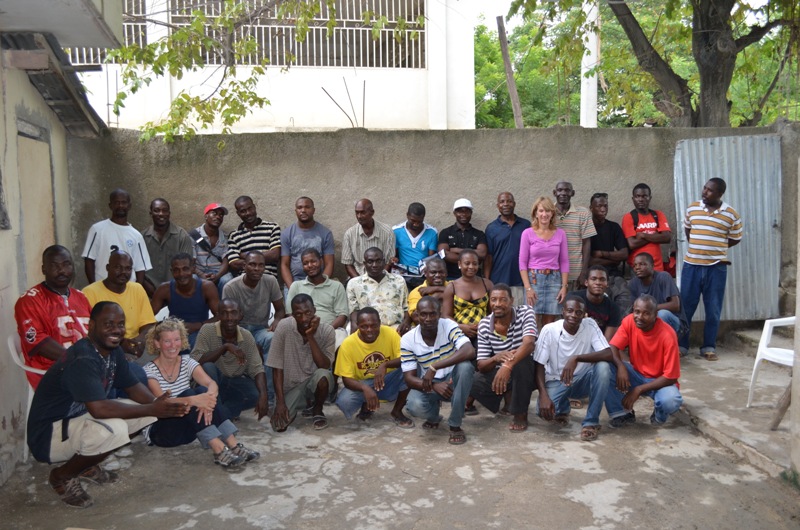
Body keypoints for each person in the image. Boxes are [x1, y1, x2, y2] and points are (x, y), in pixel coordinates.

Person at [27, 302, 189, 508]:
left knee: (147, 415)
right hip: (48, 436)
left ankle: (85, 463)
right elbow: (99, 409)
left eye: (120, 324)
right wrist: (152, 407)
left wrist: (159, 405)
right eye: (108, 324)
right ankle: (61, 476)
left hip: (74, 422)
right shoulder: (83, 358)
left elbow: (132, 386)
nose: (116, 330)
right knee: (114, 430)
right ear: (91, 326)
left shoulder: (112, 350)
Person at [142, 318, 259, 468]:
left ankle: (233, 444)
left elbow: (211, 384)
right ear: (157, 343)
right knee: (190, 394)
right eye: (167, 341)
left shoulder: (186, 361)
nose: (173, 345)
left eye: (177, 339)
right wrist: (194, 400)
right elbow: (163, 403)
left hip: (189, 426)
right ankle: (218, 449)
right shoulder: (149, 371)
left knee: (203, 390)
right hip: (162, 432)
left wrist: (206, 399)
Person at [533, 296, 618, 442]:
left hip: (582, 380)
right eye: (570, 311)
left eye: (579, 312)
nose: (573, 315)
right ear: (563, 312)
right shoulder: (549, 330)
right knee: (543, 412)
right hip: (556, 380)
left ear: (584, 315)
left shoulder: (590, 325)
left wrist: (576, 358)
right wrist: (543, 395)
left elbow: (608, 353)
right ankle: (563, 408)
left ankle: (591, 422)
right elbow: (539, 365)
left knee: (603, 367)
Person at [680, 178, 743, 361]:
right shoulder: (693, 209)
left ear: (720, 194)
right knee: (686, 308)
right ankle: (682, 346)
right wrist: (701, 247)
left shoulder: (731, 214)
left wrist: (716, 249)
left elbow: (735, 238)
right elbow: (688, 232)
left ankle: (708, 347)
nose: (704, 192)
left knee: (713, 309)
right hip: (691, 266)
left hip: (716, 268)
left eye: (710, 191)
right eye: (704, 188)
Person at [401, 296, 476, 445]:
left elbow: (469, 350)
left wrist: (435, 366)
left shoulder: (448, 325)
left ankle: (455, 425)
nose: (428, 318)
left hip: (453, 380)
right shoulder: (408, 339)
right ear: (416, 315)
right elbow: (409, 378)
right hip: (430, 383)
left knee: (466, 367)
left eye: (432, 314)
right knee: (414, 405)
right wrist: (434, 385)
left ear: (439, 313)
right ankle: (434, 417)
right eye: (423, 314)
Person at [14, 245, 92, 389]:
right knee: (114, 390)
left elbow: (96, 332)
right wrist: (81, 360)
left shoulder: (80, 297)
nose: (61, 270)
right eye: (54, 265)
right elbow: (39, 343)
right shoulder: (29, 301)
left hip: (88, 368)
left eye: (66, 264)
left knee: (135, 375)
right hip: (53, 373)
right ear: (44, 269)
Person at [605, 295, 683, 426]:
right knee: (605, 366)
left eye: (646, 313)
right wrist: (621, 367)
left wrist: (638, 390)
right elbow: (613, 346)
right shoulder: (629, 321)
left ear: (655, 315)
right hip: (637, 373)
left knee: (671, 400)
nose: (640, 317)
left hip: (661, 381)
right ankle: (622, 414)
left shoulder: (667, 334)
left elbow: (671, 377)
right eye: (637, 312)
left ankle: (658, 416)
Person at [469, 285, 537, 432]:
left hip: (527, 370)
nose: (498, 304)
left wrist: (508, 365)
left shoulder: (526, 312)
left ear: (511, 301)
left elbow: (529, 344)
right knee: (472, 380)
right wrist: (496, 358)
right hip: (501, 370)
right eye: (493, 300)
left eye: (503, 300)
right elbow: (481, 364)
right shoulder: (485, 324)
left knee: (522, 361)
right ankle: (507, 399)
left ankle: (520, 414)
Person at [190, 299, 270, 421]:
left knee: (257, 395)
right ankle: (221, 410)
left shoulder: (246, 336)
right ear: (218, 315)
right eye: (224, 313)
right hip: (213, 380)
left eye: (233, 313)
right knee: (208, 367)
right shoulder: (207, 330)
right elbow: (196, 361)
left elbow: (257, 368)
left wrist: (264, 396)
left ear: (240, 315)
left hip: (233, 381)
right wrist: (225, 347)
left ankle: (222, 411)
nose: (229, 317)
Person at [334, 307, 414, 427]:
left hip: (388, 379)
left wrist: (385, 364)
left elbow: (406, 358)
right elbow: (346, 379)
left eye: (374, 326)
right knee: (345, 401)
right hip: (364, 382)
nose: (369, 330)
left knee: (410, 368)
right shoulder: (348, 344)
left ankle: (397, 411)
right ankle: (366, 406)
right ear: (357, 325)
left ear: (380, 324)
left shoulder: (390, 333)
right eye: (364, 326)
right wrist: (365, 388)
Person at [267, 294, 336, 432]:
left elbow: (324, 365)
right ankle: (304, 405)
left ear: (314, 310)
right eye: (298, 314)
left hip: (312, 381)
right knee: (279, 427)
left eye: (308, 313)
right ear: (292, 315)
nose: (304, 319)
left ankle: (317, 409)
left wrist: (310, 335)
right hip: (291, 386)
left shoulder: (327, 330)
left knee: (324, 376)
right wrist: (280, 402)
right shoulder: (284, 327)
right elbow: (277, 368)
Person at [82, 249, 156, 364]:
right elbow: (90, 332)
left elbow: (148, 324)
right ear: (107, 268)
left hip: (136, 345)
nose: (123, 272)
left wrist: (138, 341)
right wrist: (120, 343)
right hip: (106, 347)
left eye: (128, 268)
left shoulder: (137, 289)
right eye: (118, 267)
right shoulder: (89, 293)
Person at [222, 251, 286, 362]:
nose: (257, 268)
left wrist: (277, 320)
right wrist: (249, 342)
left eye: (261, 265)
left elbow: (280, 309)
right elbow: (226, 321)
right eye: (252, 264)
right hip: (238, 331)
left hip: (260, 329)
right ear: (244, 266)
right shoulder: (231, 287)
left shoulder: (270, 281)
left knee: (273, 339)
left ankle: (268, 379)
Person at [519, 196, 569, 331]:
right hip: (534, 280)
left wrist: (564, 286)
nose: (544, 214)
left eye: (548, 211)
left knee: (549, 324)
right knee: (531, 321)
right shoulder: (527, 233)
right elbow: (522, 263)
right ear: (535, 212)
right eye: (541, 211)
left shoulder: (560, 234)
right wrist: (528, 288)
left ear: (552, 213)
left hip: (554, 280)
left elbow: (564, 261)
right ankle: (532, 351)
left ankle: (546, 351)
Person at [82, 188, 151, 284]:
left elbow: (140, 268)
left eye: (124, 202)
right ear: (110, 205)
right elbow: (89, 260)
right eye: (116, 202)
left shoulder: (136, 236)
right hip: (102, 288)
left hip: (127, 292)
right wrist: (94, 287)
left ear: (129, 206)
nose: (120, 205)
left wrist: (136, 290)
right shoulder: (97, 229)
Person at [150, 253, 219, 348]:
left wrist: (196, 326)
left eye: (185, 269)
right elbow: (147, 316)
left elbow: (220, 316)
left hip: (200, 331)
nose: (181, 274)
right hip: (174, 332)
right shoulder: (164, 289)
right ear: (172, 271)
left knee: (196, 345)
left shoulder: (206, 287)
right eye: (176, 270)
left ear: (193, 269)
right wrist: (160, 327)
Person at [287, 248, 349, 348]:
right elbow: (290, 314)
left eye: (313, 261)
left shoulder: (336, 286)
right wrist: (306, 331)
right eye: (306, 263)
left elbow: (342, 316)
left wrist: (325, 331)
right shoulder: (296, 286)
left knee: (341, 338)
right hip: (302, 330)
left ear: (321, 261)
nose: (310, 265)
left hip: (331, 330)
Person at [347, 247, 411, 334]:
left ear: (384, 261)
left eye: (378, 261)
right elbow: (354, 310)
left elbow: (405, 307)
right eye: (370, 261)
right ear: (364, 264)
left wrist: (406, 322)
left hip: (396, 327)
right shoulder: (354, 283)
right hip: (368, 329)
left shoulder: (399, 280)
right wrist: (355, 325)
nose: (374, 265)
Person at [141, 198, 194, 297]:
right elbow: (137, 268)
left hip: (176, 290)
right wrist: (147, 287)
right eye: (156, 210)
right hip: (148, 291)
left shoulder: (181, 236)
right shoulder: (142, 237)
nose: (161, 214)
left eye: (165, 210)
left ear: (169, 213)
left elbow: (187, 268)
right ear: (151, 213)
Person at [628, 252, 687, 341]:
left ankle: (663, 347)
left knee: (661, 315)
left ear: (652, 265)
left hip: (675, 325)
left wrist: (650, 310)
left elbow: (676, 305)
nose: (637, 267)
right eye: (635, 265)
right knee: (631, 317)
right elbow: (632, 309)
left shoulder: (663, 277)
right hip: (649, 320)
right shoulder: (633, 283)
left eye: (642, 264)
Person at [280, 196, 335, 290]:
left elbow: (329, 263)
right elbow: (284, 264)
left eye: (307, 207)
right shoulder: (286, 234)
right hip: (295, 282)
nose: (303, 210)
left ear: (313, 210)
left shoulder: (325, 233)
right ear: (296, 211)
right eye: (300, 207)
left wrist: (321, 285)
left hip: (319, 282)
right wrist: (292, 288)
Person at [485, 192, 531, 304]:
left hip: (520, 281)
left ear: (514, 204)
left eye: (509, 201)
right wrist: (487, 281)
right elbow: (488, 257)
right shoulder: (491, 228)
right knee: (501, 315)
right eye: (502, 202)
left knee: (519, 316)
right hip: (498, 281)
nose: (506, 204)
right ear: (498, 206)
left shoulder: (525, 225)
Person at [588, 192, 630, 309]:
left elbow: (624, 254)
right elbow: (589, 261)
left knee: (625, 300)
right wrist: (613, 260)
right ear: (591, 208)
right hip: (593, 276)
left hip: (613, 275)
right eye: (599, 206)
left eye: (605, 206)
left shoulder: (614, 227)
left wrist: (602, 254)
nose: (603, 209)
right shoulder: (586, 228)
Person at [443, 249, 494, 344]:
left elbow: (493, 312)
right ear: (459, 264)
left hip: (484, 332)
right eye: (467, 263)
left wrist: (483, 326)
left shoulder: (487, 284)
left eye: (475, 263)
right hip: (459, 332)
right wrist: (461, 327)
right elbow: (446, 316)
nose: (471, 267)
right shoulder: (451, 287)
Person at [226, 195, 281, 281]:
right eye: (243, 211)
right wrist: (262, 258)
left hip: (268, 278)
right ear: (238, 214)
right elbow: (234, 264)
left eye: (250, 208)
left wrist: (245, 255)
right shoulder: (234, 235)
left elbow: (275, 255)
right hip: (244, 280)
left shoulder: (272, 228)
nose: (248, 213)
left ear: (254, 207)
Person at [553, 181, 596, 287]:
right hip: (552, 275)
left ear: (573, 193)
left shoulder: (583, 213)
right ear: (554, 193)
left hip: (575, 275)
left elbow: (586, 243)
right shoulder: (547, 213)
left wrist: (584, 272)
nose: (563, 193)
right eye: (560, 190)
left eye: (567, 190)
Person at [622, 183, 672, 272]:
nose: (641, 199)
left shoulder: (658, 215)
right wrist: (656, 235)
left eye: (644, 196)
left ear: (650, 198)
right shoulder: (629, 217)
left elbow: (667, 238)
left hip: (657, 267)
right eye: (637, 196)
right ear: (633, 199)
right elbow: (632, 244)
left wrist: (643, 235)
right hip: (637, 268)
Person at [341, 198, 396, 278]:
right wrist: (360, 283)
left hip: (383, 277)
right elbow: (348, 264)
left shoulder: (387, 232)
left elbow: (389, 262)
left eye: (363, 212)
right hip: (357, 278)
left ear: (372, 212)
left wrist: (379, 280)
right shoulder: (349, 234)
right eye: (357, 213)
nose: (359, 216)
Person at [438, 198, 488, 280]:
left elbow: (482, 254)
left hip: (474, 278)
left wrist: (457, 250)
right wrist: (471, 258)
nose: (463, 214)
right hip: (450, 278)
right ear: (454, 213)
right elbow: (443, 254)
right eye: (460, 211)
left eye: (467, 211)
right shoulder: (446, 232)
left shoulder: (479, 234)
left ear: (471, 213)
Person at [572, 265, 624, 341]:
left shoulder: (613, 308)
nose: (598, 283)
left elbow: (607, 342)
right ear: (586, 282)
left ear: (607, 283)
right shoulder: (574, 299)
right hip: (574, 340)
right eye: (594, 279)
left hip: (598, 344)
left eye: (602, 279)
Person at [392, 202, 438, 288]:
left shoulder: (432, 232)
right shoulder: (396, 231)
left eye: (419, 221)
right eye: (413, 221)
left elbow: (431, 258)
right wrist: (395, 260)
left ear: (423, 217)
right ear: (407, 215)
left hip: (423, 275)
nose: (416, 224)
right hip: (403, 275)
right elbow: (394, 255)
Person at [191, 202, 230, 291]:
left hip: (218, 272)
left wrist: (218, 276)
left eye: (221, 215)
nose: (218, 217)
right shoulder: (193, 235)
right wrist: (201, 274)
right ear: (206, 216)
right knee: (192, 278)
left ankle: (221, 305)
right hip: (199, 272)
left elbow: (225, 261)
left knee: (227, 280)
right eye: (214, 213)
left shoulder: (225, 237)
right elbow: (190, 262)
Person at [407, 256, 448, 324]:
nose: (437, 275)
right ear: (425, 273)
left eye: (441, 272)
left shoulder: (454, 285)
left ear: (446, 273)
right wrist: (434, 298)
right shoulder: (416, 292)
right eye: (433, 272)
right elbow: (416, 318)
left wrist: (437, 289)